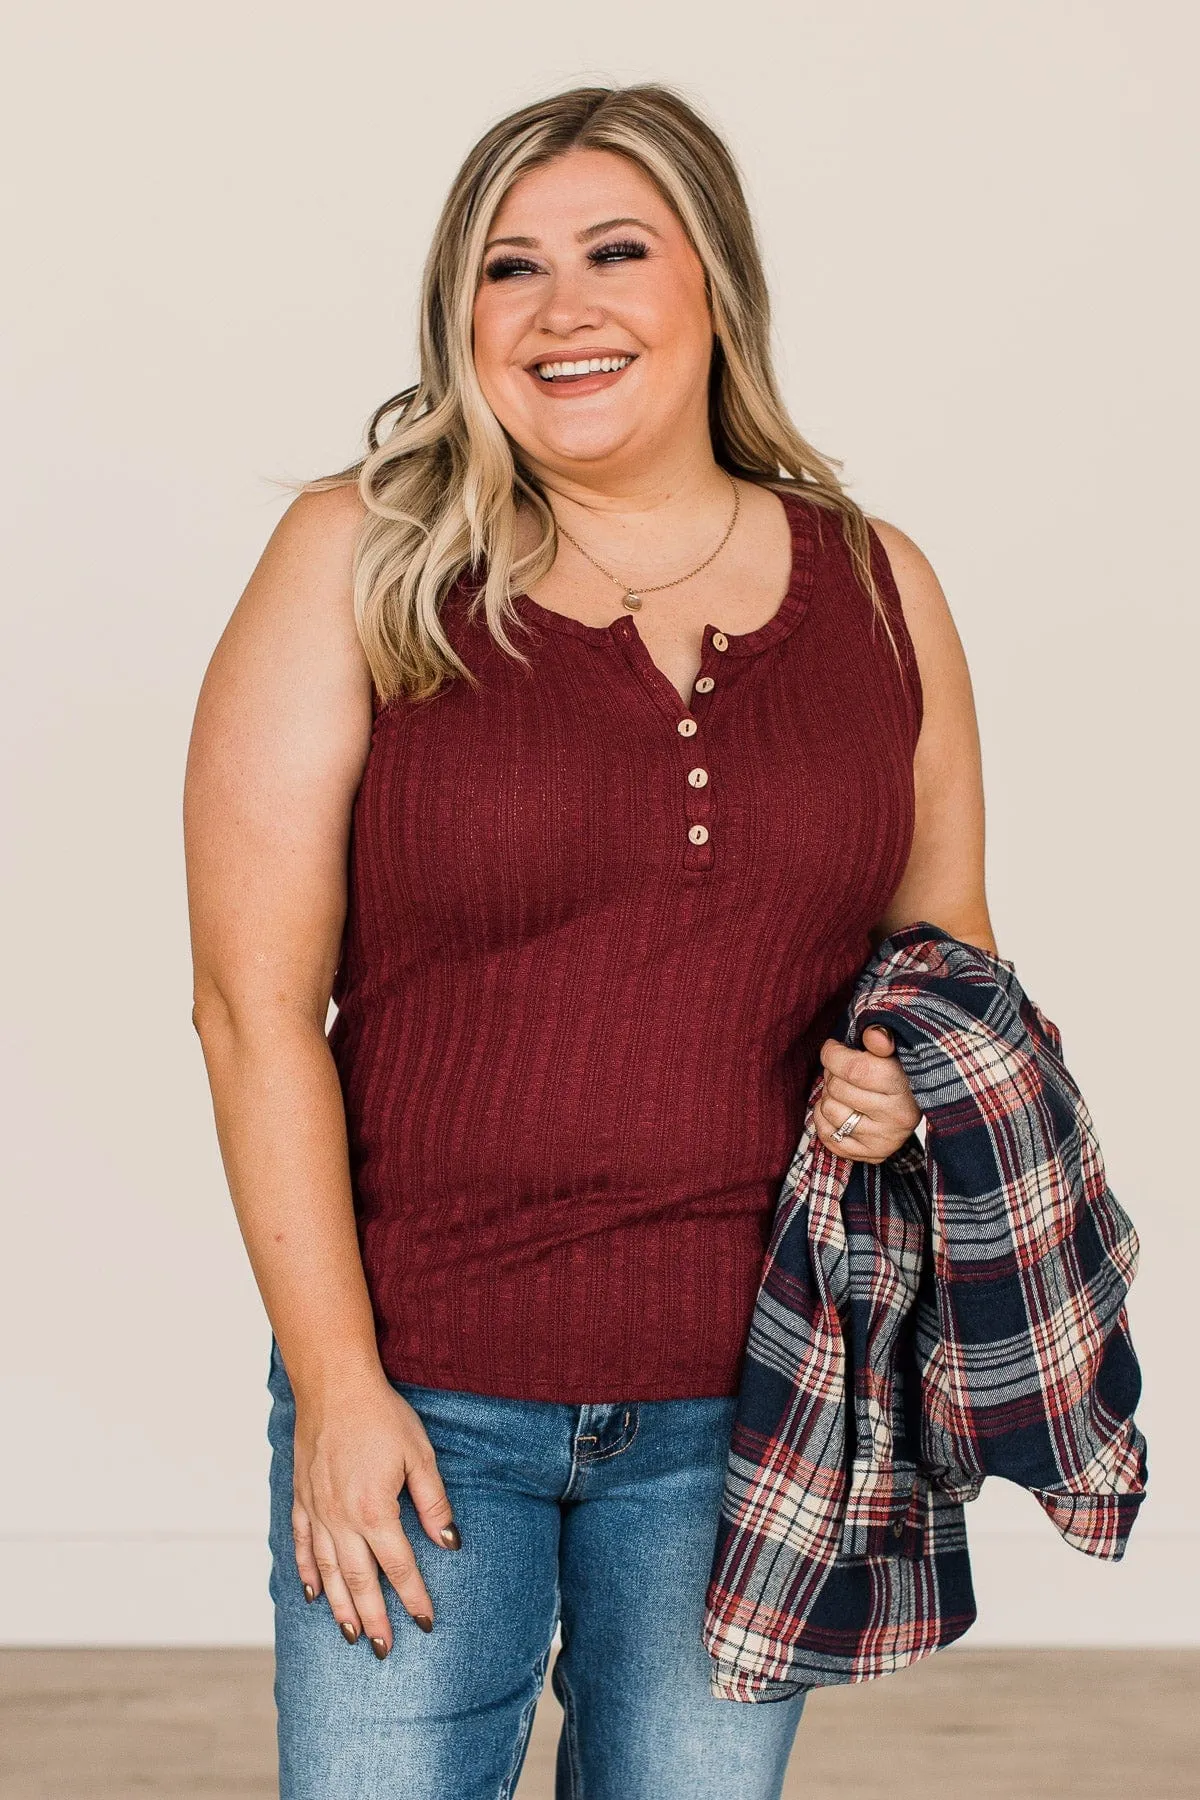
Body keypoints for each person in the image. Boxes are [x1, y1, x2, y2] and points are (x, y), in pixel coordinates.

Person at [184, 81, 998, 1800]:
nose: (564, 309)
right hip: (426, 1391)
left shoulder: (879, 591)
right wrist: (337, 1388)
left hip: (747, 1401)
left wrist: (905, 1091)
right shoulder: (360, 561)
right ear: (458, 318)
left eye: (616, 252)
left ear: (713, 284)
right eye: (508, 269)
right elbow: (251, 1007)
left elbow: (950, 975)